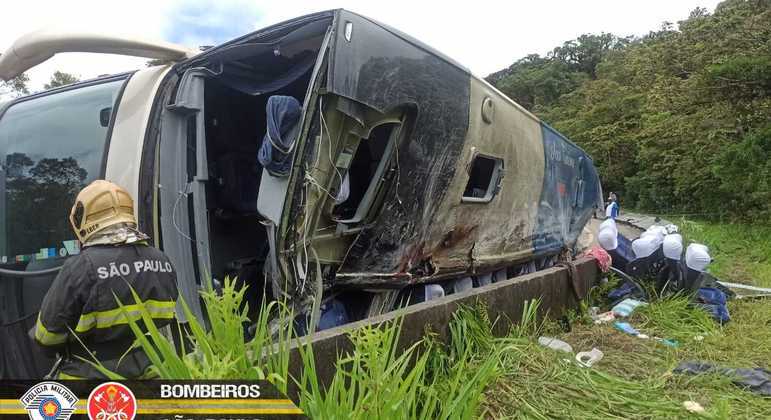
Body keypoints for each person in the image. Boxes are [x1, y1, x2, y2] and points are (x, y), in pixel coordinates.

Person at [31, 180, 178, 379]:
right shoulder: (161, 260)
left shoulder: (81, 267)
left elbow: (46, 337)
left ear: (83, 219)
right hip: (154, 368)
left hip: (91, 378)